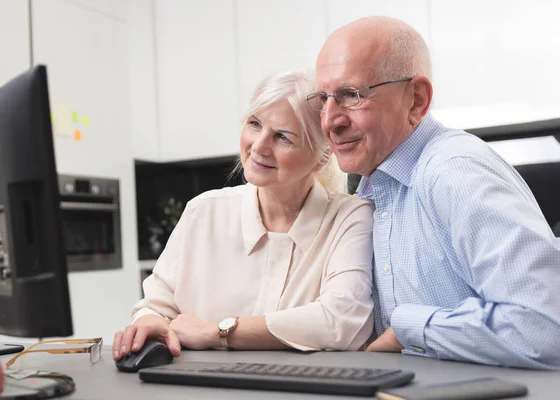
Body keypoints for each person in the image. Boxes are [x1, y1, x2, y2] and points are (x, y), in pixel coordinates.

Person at [310, 16, 560, 370]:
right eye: (324, 99)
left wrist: (407, 328)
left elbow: (545, 329)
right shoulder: (373, 189)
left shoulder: (453, 170)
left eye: (351, 95)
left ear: (416, 100)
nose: (329, 121)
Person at [112, 70, 375, 360]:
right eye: (254, 124)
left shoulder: (350, 217)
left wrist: (218, 333)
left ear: (322, 157)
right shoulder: (203, 211)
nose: (259, 146)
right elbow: (156, 306)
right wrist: (149, 321)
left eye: (283, 137)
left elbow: (343, 318)